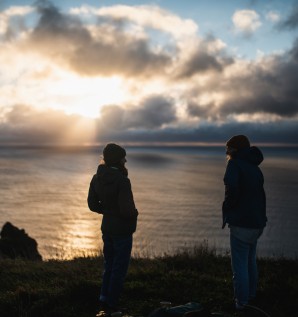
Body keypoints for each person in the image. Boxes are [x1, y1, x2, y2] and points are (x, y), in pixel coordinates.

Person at [88, 143, 138, 315]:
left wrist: (108, 211)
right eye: (124, 157)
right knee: (119, 267)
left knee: (109, 264)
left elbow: (92, 204)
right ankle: (112, 304)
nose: (126, 160)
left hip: (107, 227)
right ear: (119, 160)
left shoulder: (96, 177)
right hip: (122, 230)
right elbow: (126, 210)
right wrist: (135, 213)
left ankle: (104, 298)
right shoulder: (123, 181)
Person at [222, 135, 267, 311]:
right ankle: (251, 296)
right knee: (250, 260)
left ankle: (241, 303)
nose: (226, 152)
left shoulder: (234, 164)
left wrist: (228, 206)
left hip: (241, 222)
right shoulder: (254, 166)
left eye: (228, 148)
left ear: (234, 149)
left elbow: (231, 189)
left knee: (239, 264)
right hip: (257, 222)